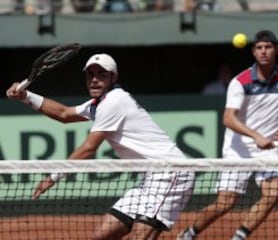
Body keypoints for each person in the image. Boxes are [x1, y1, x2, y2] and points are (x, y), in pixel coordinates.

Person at [6, 53, 195, 240]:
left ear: (114, 77)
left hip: (172, 173)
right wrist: (26, 96)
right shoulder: (100, 103)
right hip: (149, 178)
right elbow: (64, 113)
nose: (95, 80)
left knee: (140, 236)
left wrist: (53, 176)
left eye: (102, 74)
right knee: (101, 236)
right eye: (90, 75)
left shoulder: (114, 102)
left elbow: (89, 148)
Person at [177, 30, 278, 240]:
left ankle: (239, 237)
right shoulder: (240, 81)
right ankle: (190, 233)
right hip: (238, 149)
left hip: (268, 150)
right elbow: (228, 118)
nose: (263, 52)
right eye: (259, 48)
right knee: (225, 202)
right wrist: (256, 136)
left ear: (276, 50)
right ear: (254, 52)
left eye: (268, 47)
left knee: (274, 192)